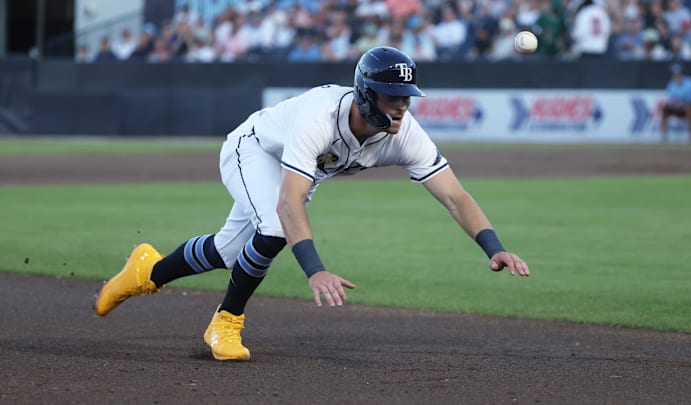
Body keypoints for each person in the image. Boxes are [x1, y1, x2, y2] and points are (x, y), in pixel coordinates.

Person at [94, 46, 531, 361]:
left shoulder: (406, 133)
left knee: (230, 252)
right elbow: (289, 203)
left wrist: (494, 247)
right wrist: (315, 268)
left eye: (405, 98)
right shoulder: (320, 116)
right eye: (391, 97)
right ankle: (225, 322)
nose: (400, 108)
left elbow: (454, 195)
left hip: (299, 172)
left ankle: (145, 272)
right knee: (277, 227)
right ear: (364, 94)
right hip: (253, 150)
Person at [660, 62, 691, 142]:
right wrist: (674, 103)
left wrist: (681, 102)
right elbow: (672, 98)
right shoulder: (671, 84)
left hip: (686, 106)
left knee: (689, 108)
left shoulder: (690, 82)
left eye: (677, 74)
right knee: (665, 108)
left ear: (681, 73)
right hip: (676, 106)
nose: (676, 76)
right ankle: (664, 136)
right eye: (674, 74)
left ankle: (690, 134)